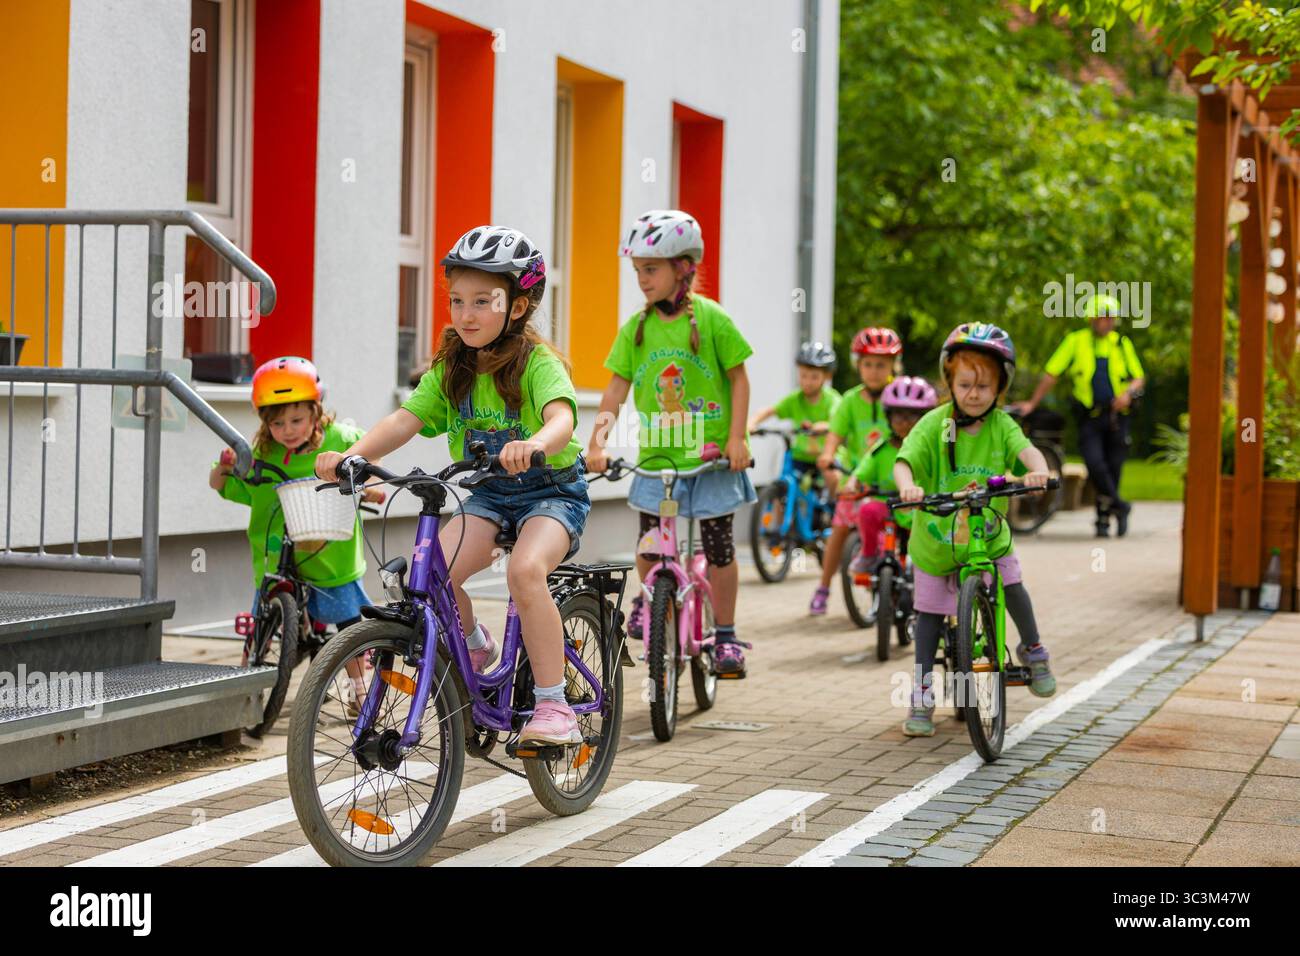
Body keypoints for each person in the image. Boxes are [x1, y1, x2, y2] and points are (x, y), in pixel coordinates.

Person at [315, 225, 592, 747]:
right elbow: (406, 419)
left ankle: (555, 705)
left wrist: (533, 442)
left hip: (552, 492)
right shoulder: (454, 369)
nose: (466, 314)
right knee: (434, 576)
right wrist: (353, 457)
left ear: (517, 306)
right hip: (490, 495)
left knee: (525, 571)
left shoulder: (538, 363)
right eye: (457, 300)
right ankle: (476, 648)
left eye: (483, 301)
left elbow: (563, 422)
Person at [586, 209, 755, 677]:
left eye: (651, 269)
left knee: (719, 548)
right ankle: (651, 596)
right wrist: (597, 443)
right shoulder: (636, 328)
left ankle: (725, 636)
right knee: (649, 547)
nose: (641, 279)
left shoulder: (712, 319)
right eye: (637, 269)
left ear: (683, 268)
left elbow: (739, 380)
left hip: (712, 461)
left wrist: (737, 437)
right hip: (660, 461)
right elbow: (616, 389)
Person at [894, 323, 1056, 738]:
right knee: (928, 613)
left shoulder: (1002, 426)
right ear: (949, 382)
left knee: (1012, 580)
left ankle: (1033, 649)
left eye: (985, 386)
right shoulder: (935, 423)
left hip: (987, 534)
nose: (974, 393)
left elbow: (1028, 451)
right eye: (965, 384)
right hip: (936, 536)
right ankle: (923, 692)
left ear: (1000, 387)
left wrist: (1037, 470)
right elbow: (905, 459)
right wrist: (908, 484)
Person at [210, 356, 383, 716]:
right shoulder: (262, 452)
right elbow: (225, 485)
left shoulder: (338, 439)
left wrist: (371, 488)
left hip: (328, 549)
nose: (288, 430)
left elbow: (369, 461)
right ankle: (251, 678)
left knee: (346, 621)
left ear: (316, 412)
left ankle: (359, 688)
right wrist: (225, 469)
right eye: (277, 423)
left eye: (297, 420)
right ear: (264, 422)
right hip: (277, 551)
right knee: (263, 615)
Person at [1010, 293, 1145, 537]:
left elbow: (1138, 376)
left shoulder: (1121, 343)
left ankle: (1103, 520)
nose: (1108, 323)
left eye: (1111, 318)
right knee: (1095, 464)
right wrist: (1032, 402)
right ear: (1091, 319)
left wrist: (1128, 393)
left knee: (1113, 468)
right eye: (1103, 318)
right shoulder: (1076, 341)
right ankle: (1120, 506)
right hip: (1089, 417)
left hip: (1117, 418)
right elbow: (1052, 373)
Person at [812, 327, 901, 616]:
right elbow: (835, 435)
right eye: (868, 364)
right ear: (857, 365)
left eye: (881, 365)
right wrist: (827, 456)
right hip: (856, 478)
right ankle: (823, 587)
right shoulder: (850, 400)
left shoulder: (900, 395)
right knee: (839, 529)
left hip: (896, 480)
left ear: (893, 366)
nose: (874, 371)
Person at [844, 375, 937, 575]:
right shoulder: (881, 449)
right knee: (867, 510)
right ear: (888, 417)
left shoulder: (930, 449)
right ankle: (869, 554)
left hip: (918, 510)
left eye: (913, 416)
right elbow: (862, 470)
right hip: (886, 505)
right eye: (898, 415)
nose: (905, 423)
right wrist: (853, 482)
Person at [748, 341, 841, 530]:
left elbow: (838, 422)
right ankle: (779, 531)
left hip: (823, 457)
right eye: (803, 375)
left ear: (826, 377)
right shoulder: (795, 399)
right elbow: (770, 410)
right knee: (782, 486)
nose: (807, 381)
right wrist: (752, 423)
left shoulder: (832, 399)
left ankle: (836, 506)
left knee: (833, 476)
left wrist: (822, 426)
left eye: (814, 377)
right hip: (800, 455)